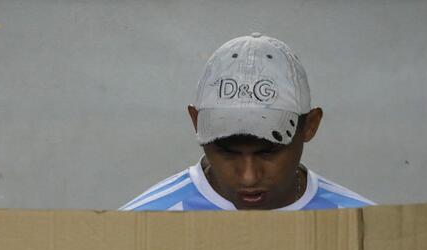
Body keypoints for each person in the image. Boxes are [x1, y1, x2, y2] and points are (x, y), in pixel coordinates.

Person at [121, 33, 373, 212]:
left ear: (310, 125)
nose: (249, 177)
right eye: (228, 152)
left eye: (268, 152)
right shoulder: (139, 225)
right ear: (196, 122)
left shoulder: (366, 229)